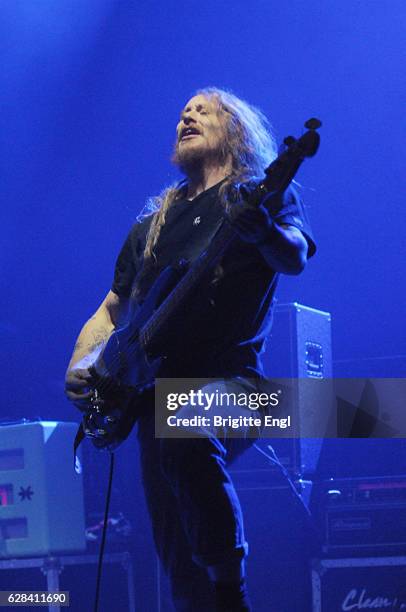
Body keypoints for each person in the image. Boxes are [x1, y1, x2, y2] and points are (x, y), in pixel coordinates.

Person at [65, 87, 316, 612]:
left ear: (237, 129)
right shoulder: (154, 221)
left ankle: (233, 595)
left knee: (182, 426)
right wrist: (83, 362)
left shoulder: (258, 195)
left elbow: (293, 257)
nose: (187, 116)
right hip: (151, 397)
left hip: (237, 386)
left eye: (203, 110)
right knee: (178, 558)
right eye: (182, 112)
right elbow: (113, 308)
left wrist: (264, 230)